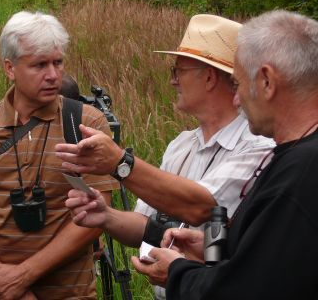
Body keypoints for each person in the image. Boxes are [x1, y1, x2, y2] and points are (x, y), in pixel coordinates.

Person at [133, 10, 318, 299]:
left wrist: (176, 273)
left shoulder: (306, 174)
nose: (237, 98)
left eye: (237, 83)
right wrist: (215, 245)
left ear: (266, 81)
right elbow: (280, 258)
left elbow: (247, 289)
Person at [56, 15, 274, 298]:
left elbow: (201, 207)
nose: (172, 81)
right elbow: (147, 226)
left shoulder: (258, 147)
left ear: (209, 77)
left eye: (178, 70)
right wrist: (105, 216)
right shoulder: (181, 145)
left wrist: (120, 164)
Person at [0, 11, 119, 299]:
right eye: (39, 65)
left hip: (68, 292)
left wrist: (24, 276)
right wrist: (6, 285)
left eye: (57, 63)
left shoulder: (86, 124)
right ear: (10, 68)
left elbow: (97, 213)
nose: (53, 75)